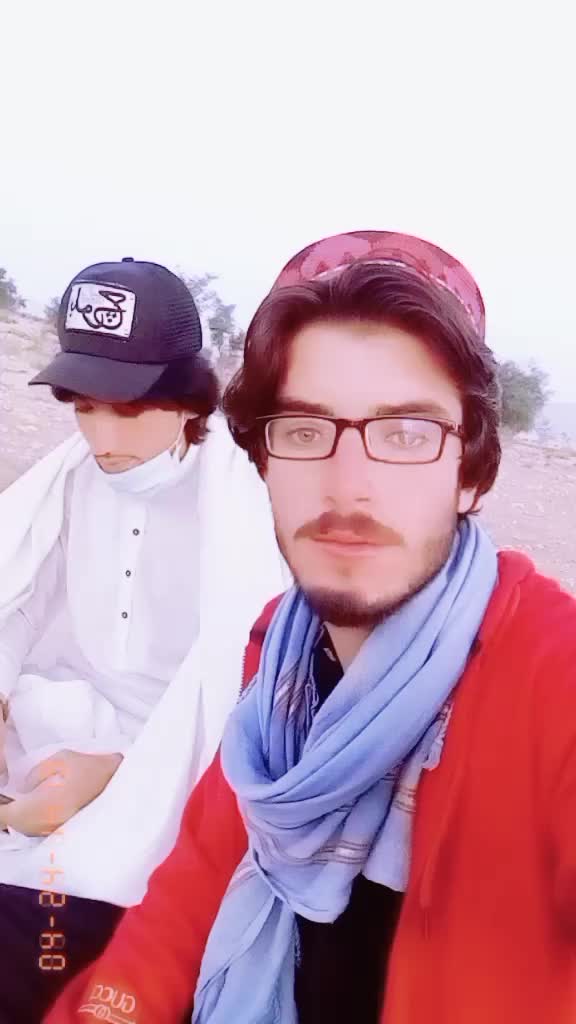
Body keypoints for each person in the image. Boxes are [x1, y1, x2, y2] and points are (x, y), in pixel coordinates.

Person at [46, 232, 576, 1024]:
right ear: (262, 460)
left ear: (472, 473)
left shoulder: (547, 675)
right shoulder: (283, 655)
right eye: (303, 429)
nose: (348, 485)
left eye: (406, 433)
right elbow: (185, 901)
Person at [0, 257, 287, 1021]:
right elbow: (17, 601)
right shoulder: (70, 479)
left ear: (187, 397)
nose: (101, 437)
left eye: (127, 409)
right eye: (84, 407)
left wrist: (115, 773)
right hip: (49, 757)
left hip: (169, 792)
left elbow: (235, 698)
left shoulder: (243, 510)